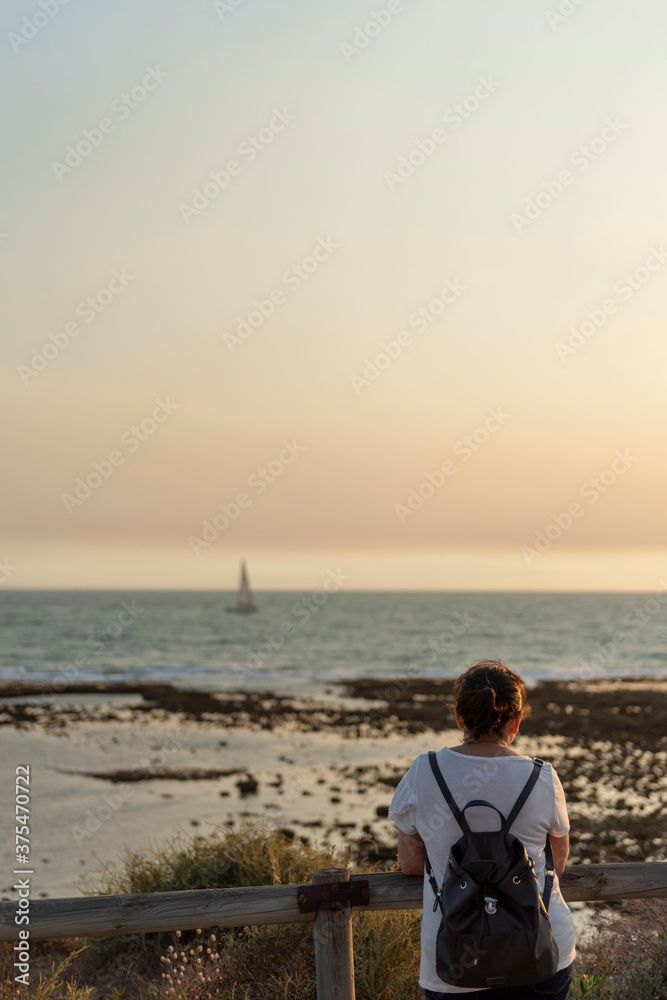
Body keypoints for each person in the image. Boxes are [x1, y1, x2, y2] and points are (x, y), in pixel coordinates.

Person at [389, 659, 575, 999]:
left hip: (454, 958)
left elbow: (411, 864)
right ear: (516, 721)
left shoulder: (424, 771)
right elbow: (557, 863)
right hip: (539, 951)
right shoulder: (542, 776)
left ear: (460, 718)